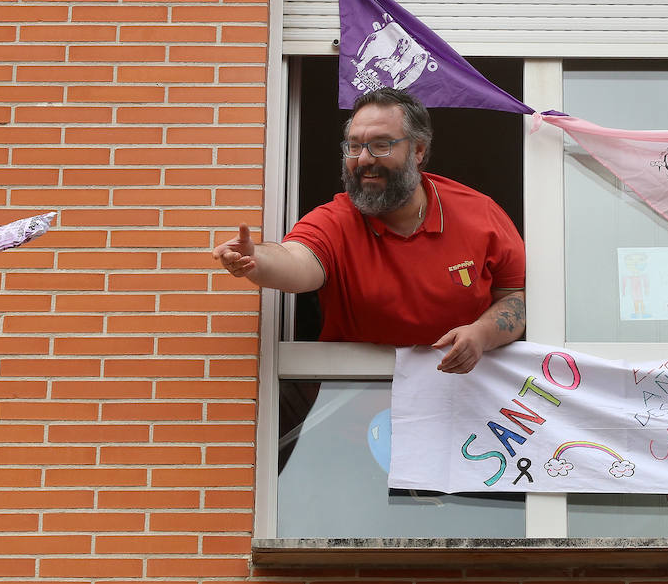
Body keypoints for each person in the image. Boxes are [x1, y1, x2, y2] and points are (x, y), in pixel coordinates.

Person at [213, 88, 526, 374]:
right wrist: (256, 259)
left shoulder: (480, 213)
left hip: (466, 389)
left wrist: (481, 334)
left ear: (418, 150)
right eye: (354, 146)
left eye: (380, 145)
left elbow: (515, 298)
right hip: (357, 394)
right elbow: (295, 261)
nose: (364, 159)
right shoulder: (334, 221)